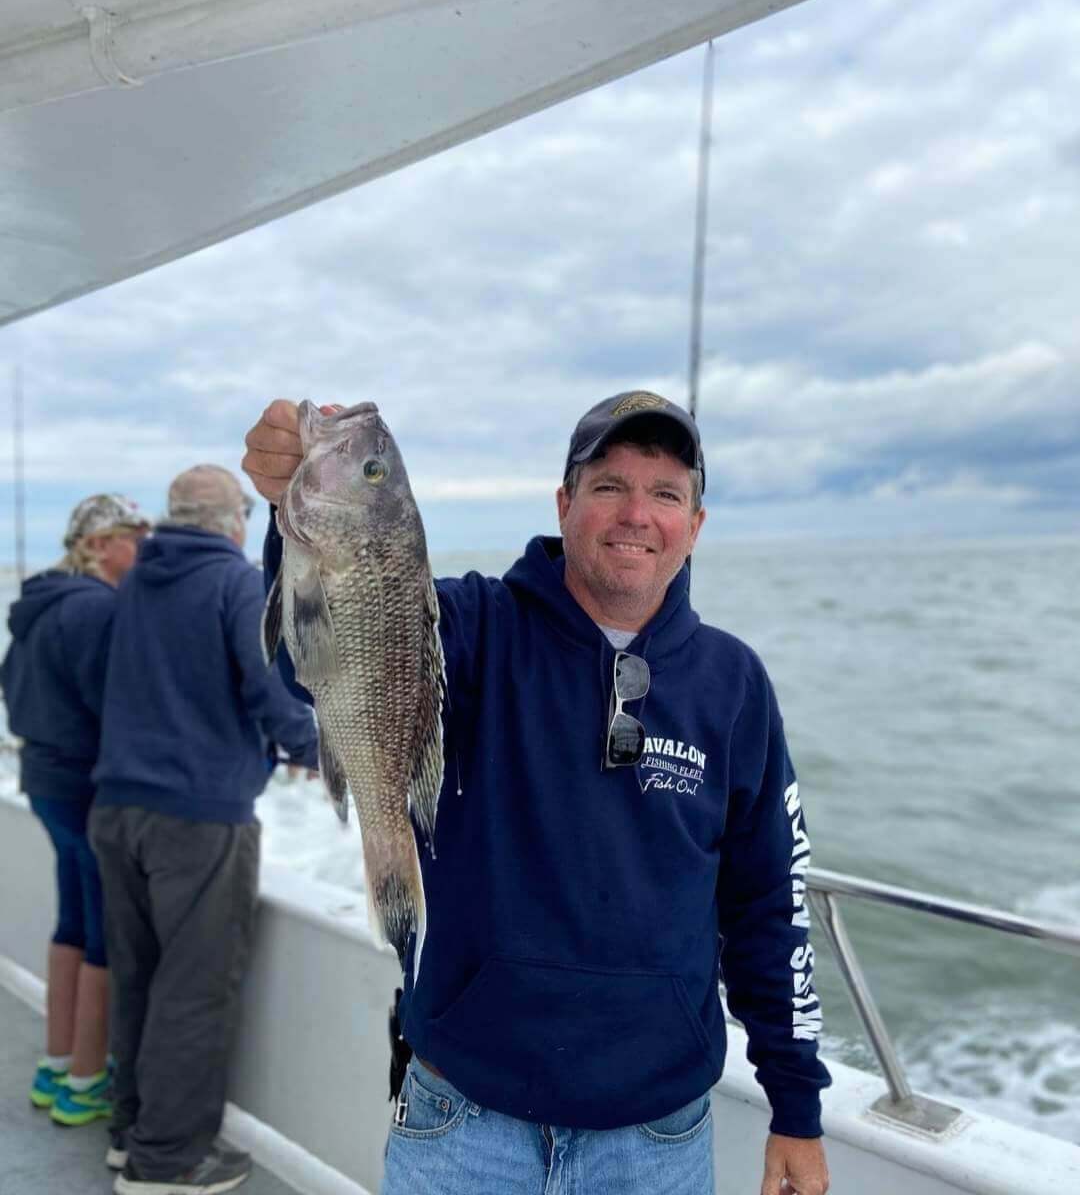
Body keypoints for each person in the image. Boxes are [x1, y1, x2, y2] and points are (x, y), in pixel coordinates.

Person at [243, 391, 832, 1195]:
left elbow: (769, 903)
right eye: (608, 486)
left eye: (665, 494)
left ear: (695, 526)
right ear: (564, 504)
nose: (636, 514)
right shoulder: (472, 624)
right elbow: (320, 658)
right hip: (460, 1120)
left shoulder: (734, 684)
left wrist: (796, 1106)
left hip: (656, 1142)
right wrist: (289, 508)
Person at [88, 465, 320, 1195]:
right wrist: (327, 753)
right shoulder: (234, 582)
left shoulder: (135, 583)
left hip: (116, 807)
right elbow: (269, 691)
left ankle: (130, 1133)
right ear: (234, 519)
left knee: (138, 977)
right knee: (194, 989)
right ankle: (167, 1161)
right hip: (196, 818)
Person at [0, 493, 151, 1127]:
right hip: (87, 787)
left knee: (72, 919)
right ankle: (87, 1080)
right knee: (103, 930)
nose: (145, 547)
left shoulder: (40, 605)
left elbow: (13, 689)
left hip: (44, 780)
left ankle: (57, 1061)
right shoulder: (96, 608)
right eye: (134, 537)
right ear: (97, 545)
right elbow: (115, 704)